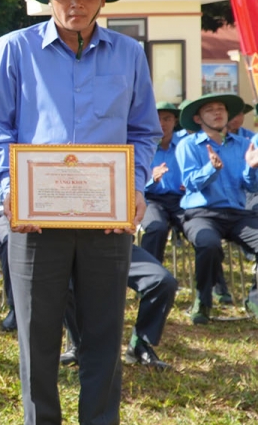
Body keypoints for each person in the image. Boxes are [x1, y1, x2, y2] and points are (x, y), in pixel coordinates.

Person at [0, 0, 158, 425]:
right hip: (34, 219)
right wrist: (10, 192)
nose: (75, 4)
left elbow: (143, 132)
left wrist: (133, 186)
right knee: (37, 334)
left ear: (104, 0)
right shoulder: (16, 49)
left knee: (104, 331)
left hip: (105, 219)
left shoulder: (129, 54)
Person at [174, 93, 258, 324]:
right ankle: (203, 300)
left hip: (237, 214)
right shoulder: (188, 145)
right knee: (208, 244)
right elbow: (190, 183)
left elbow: (251, 185)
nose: (218, 112)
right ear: (198, 118)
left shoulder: (243, 145)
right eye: (210, 109)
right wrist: (211, 169)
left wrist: (252, 168)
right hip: (201, 213)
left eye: (221, 108)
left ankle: (254, 298)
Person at [59, 245, 177, 371]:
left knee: (163, 282)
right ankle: (80, 345)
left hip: (114, 244)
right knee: (64, 284)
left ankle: (139, 344)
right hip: (73, 248)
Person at [139, 103, 184, 263]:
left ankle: (215, 285)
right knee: (156, 227)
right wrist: (153, 178)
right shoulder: (143, 146)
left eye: (167, 119)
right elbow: (133, 180)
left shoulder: (184, 145)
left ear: (175, 121)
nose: (162, 124)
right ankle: (150, 278)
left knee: (203, 230)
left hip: (181, 200)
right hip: (150, 199)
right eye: (157, 119)